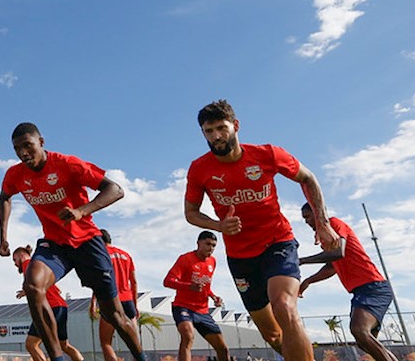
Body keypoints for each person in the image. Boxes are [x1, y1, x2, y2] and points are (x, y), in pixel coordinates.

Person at [184, 100, 339, 361]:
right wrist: (218, 226)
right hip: (240, 256)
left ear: (235, 126)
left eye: (221, 128)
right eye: (208, 131)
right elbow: (191, 213)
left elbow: (308, 178)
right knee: (273, 335)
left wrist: (323, 223)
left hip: (277, 242)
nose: (216, 136)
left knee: (285, 307)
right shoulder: (199, 169)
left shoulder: (267, 154)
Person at [0, 122, 147, 361]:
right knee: (33, 286)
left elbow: (115, 190)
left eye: (28, 146)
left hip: (87, 241)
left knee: (114, 314)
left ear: (41, 142)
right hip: (55, 244)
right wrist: (3, 237)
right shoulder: (15, 175)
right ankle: (56, 358)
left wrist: (82, 211)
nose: (23, 153)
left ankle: (141, 357)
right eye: (17, 149)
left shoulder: (67, 164)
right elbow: (4, 197)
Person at [298, 203, 398, 361]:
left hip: (373, 287)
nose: (306, 221)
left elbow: (339, 253)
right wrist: (308, 281)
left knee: (359, 330)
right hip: (361, 290)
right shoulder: (325, 239)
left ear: (319, 213)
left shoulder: (334, 224)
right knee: (364, 341)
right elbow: (332, 266)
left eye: (308, 216)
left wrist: (302, 260)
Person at [163, 231, 230, 361]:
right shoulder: (185, 259)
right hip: (183, 307)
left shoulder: (212, 262)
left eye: (214, 245)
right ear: (198, 243)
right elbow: (167, 281)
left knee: (223, 349)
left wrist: (213, 296)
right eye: (207, 244)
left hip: (202, 311)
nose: (210, 248)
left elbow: (206, 286)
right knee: (188, 336)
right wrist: (188, 286)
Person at [12, 246, 83, 361]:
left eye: (15, 260)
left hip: (51, 307)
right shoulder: (40, 267)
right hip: (61, 306)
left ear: (22, 256)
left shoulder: (28, 264)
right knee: (63, 345)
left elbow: (33, 285)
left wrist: (27, 290)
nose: (15, 264)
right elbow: (52, 288)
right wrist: (26, 291)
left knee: (31, 344)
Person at [88, 230, 139, 361]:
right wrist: (135, 304)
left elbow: (98, 281)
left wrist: (93, 302)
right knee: (135, 343)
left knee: (106, 343)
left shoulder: (100, 255)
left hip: (110, 301)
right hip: (128, 301)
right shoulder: (126, 255)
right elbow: (133, 281)